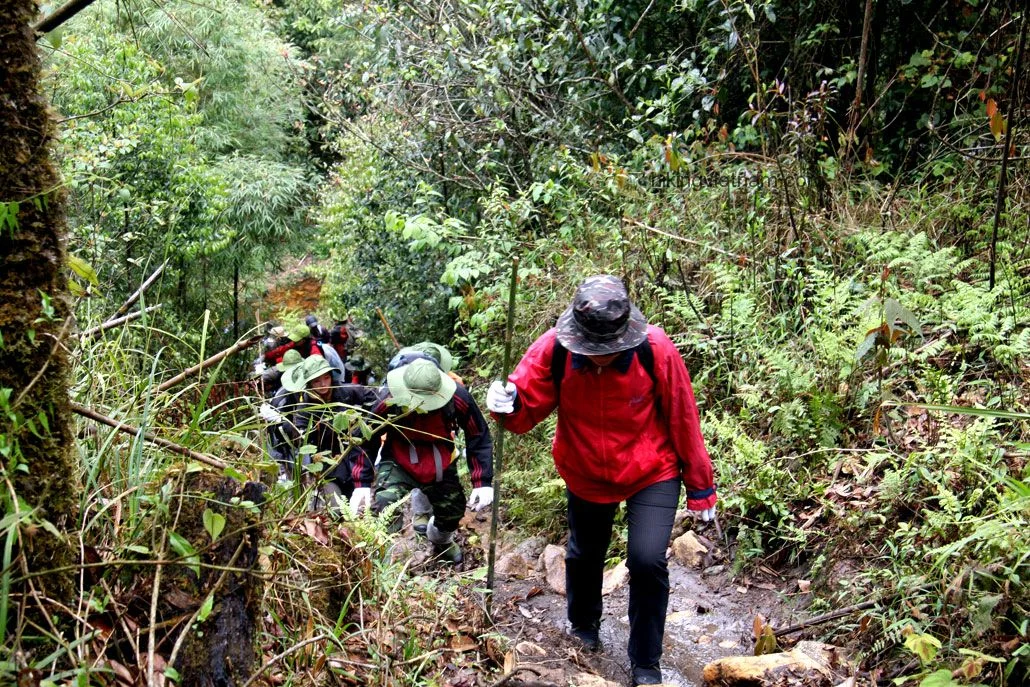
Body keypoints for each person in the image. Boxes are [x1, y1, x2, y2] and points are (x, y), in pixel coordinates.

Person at [486, 274, 718, 687]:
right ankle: (583, 627)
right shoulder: (554, 349)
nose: (600, 357)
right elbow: (523, 414)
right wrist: (507, 404)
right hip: (585, 467)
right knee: (584, 555)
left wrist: (701, 487)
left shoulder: (655, 349)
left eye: (608, 350)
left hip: (652, 469)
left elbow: (683, 416)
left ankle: (646, 663)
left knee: (647, 561)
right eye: (592, 350)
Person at [346, 358, 494, 563]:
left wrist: (482, 481)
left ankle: (441, 541)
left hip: (439, 460)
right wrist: (361, 482)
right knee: (385, 503)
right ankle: (382, 555)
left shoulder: (457, 397)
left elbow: (477, 434)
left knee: (452, 511)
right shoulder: (388, 397)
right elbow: (366, 436)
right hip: (398, 458)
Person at [281, 355, 380, 509]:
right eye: (317, 381)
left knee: (360, 507)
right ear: (309, 383)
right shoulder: (305, 406)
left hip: (355, 456)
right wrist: (290, 428)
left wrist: (363, 424)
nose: (323, 384)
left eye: (326, 378)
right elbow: (299, 437)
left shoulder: (348, 391)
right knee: (336, 508)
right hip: (328, 464)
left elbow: (377, 401)